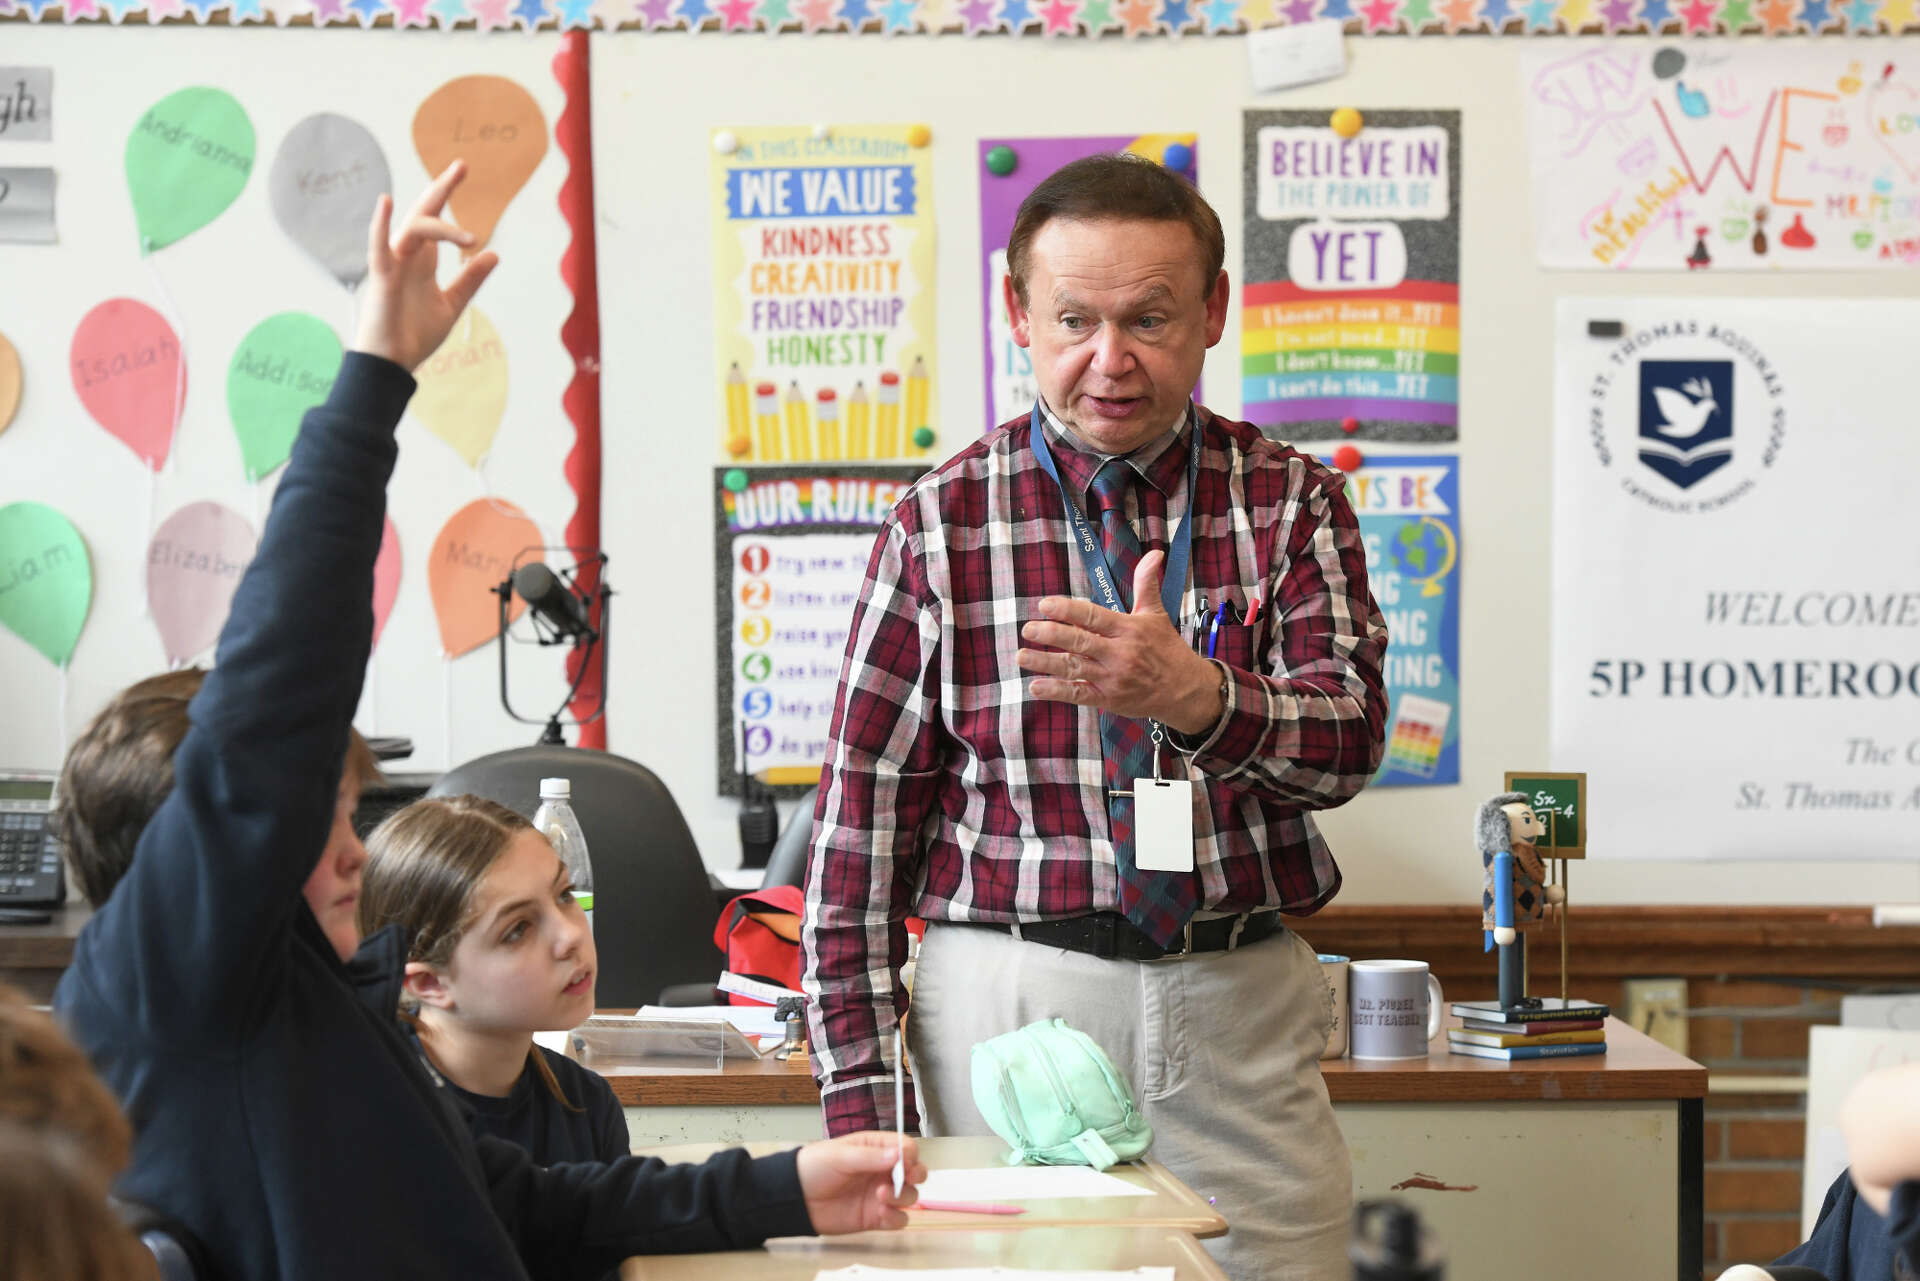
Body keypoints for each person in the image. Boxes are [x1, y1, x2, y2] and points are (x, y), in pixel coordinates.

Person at [53, 163, 921, 1281]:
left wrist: (781, 1186)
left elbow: (506, 1197)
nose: (354, 850)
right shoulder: (171, 980)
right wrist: (374, 378)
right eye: (310, 821)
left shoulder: (303, 1006)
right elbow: (276, 696)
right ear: (212, 848)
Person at [800, 152, 1388, 1281]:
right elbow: (855, 853)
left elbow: (1351, 740)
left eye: (1149, 319)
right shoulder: (940, 525)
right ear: (1017, 315)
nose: (1108, 361)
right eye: (1073, 319)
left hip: (1234, 1009)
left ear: (1213, 312)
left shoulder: (1289, 500)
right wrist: (868, 1126)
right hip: (1010, 1010)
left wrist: (1199, 699)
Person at [357, 795, 629, 1168]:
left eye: (564, 894)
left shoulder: (586, 1103)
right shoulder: (376, 1115)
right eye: (518, 929)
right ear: (430, 984)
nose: (571, 936)